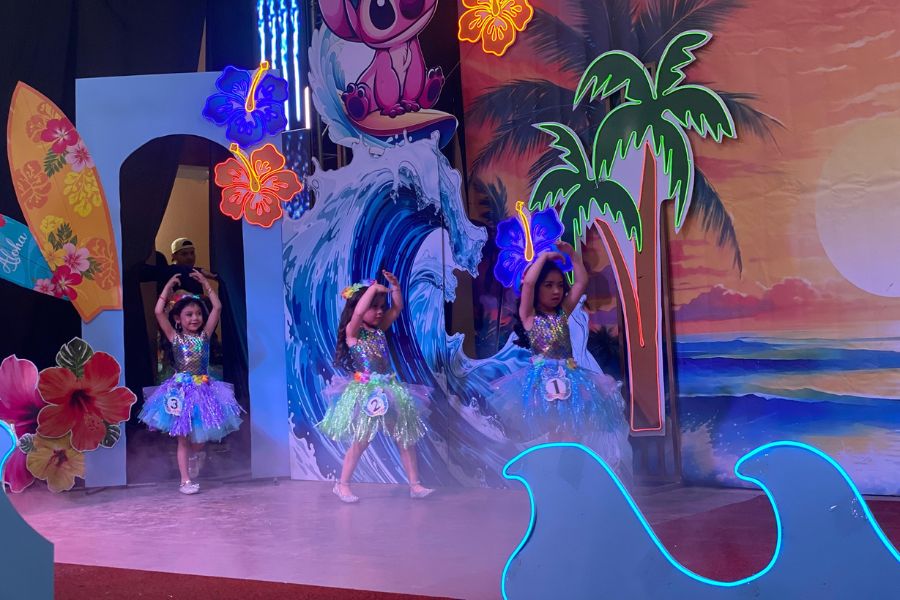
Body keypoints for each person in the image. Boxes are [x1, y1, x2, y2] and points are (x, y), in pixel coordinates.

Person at [494, 243, 631, 478]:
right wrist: (544, 257)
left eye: (559, 285)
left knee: (573, 432)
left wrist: (573, 256)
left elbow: (581, 283)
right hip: (542, 383)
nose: (556, 291)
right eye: (548, 285)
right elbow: (528, 283)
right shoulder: (529, 317)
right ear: (537, 289)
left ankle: (571, 478)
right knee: (552, 433)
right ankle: (554, 478)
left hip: (569, 380)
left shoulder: (562, 313)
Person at [318, 272, 434, 503]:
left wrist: (395, 287)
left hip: (388, 390)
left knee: (403, 436)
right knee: (362, 440)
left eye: (382, 307)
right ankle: (342, 485)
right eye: (374, 307)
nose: (380, 311)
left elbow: (397, 308)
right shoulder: (353, 333)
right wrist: (372, 288)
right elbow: (358, 313)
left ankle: (415, 485)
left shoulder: (379, 330)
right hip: (366, 392)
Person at [139, 271, 243, 494]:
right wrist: (167, 287)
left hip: (204, 390)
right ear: (178, 319)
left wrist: (206, 284)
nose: (195, 318)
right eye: (189, 314)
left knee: (201, 437)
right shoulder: (175, 338)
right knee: (183, 439)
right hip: (180, 391)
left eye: (198, 314)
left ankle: (194, 455)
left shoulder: (205, 336)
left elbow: (217, 308)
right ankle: (185, 481)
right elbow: (158, 312)